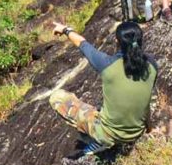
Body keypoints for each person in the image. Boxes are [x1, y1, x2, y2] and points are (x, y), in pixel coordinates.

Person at [49, 21, 157, 155]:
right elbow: (145, 102)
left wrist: (65, 30)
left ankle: (98, 141)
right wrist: (149, 128)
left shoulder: (106, 64)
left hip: (108, 134)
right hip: (136, 132)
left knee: (57, 97)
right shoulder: (152, 66)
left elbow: (82, 44)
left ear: (118, 42)